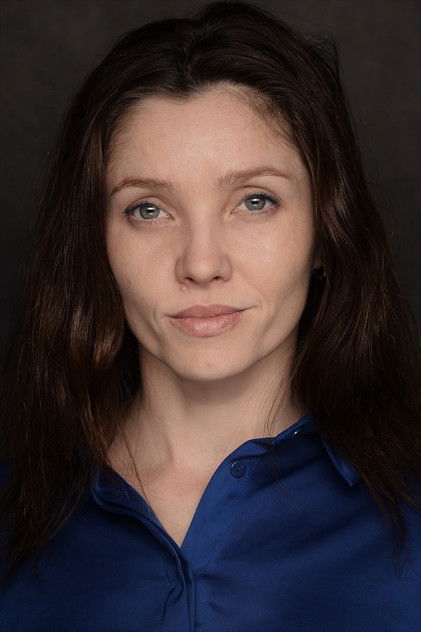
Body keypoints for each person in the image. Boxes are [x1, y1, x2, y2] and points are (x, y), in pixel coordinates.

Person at [0, 1, 420, 629]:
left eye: (255, 201)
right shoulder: (13, 523)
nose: (201, 264)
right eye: (148, 209)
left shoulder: (411, 525)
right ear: (95, 243)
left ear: (326, 232)